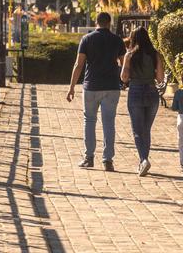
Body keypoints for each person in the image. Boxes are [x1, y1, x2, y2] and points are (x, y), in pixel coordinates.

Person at [67, 12, 125, 171]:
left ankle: (89, 157)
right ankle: (108, 160)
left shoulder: (87, 39)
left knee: (90, 120)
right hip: (111, 86)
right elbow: (123, 64)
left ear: (96, 22)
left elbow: (79, 64)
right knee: (109, 122)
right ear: (109, 23)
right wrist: (124, 81)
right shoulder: (117, 40)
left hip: (91, 85)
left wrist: (72, 87)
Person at [120, 27, 165, 176]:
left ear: (133, 39)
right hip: (152, 92)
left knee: (138, 131)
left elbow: (124, 78)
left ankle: (143, 160)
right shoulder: (155, 54)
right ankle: (143, 161)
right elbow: (160, 78)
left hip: (136, 91)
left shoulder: (130, 55)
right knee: (146, 130)